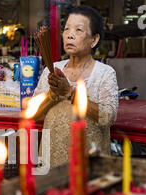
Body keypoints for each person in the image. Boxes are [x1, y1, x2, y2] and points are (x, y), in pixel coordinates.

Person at [34, 5, 119, 169]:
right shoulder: (51, 70)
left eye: (78, 30)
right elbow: (33, 115)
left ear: (93, 40)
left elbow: (107, 118)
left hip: (89, 161)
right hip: (51, 160)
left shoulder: (104, 73)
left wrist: (70, 93)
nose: (69, 35)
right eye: (66, 29)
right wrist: (52, 95)